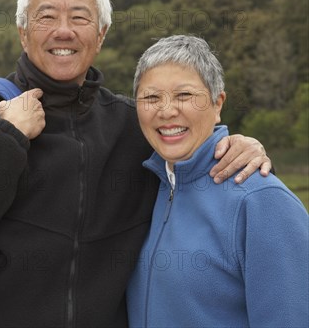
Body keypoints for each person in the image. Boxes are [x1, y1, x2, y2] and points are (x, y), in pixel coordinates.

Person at [0, 0, 272, 327]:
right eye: (46, 17)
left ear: (101, 34)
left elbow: (190, 146)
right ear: (22, 32)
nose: (63, 31)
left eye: (79, 18)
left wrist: (238, 143)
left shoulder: (133, 124)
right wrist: (7, 136)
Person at [126, 35, 308, 327]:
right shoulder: (149, 186)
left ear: (217, 102)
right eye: (151, 97)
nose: (167, 110)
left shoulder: (263, 201)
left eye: (185, 95)